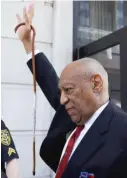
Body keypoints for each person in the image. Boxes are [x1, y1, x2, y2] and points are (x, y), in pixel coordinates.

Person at [16, 4, 127, 178]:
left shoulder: (121, 134)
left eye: (68, 90)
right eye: (62, 92)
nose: (62, 100)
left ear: (96, 84)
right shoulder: (76, 110)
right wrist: (28, 43)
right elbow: (50, 82)